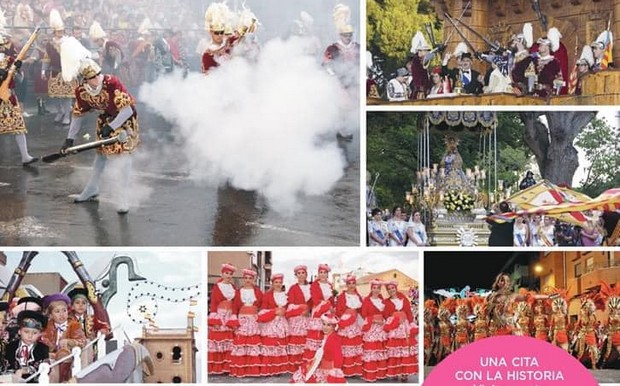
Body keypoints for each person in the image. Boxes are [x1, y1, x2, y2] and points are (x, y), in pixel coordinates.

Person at [58, 40, 140, 214]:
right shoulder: (81, 91)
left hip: (124, 120)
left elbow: (127, 111)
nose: (97, 78)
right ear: (84, 80)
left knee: (123, 156)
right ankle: (92, 188)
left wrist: (111, 127)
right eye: (92, 77)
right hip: (105, 120)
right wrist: (69, 139)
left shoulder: (112, 82)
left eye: (98, 74)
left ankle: (123, 196)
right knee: (101, 155)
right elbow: (77, 115)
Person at [0, 31, 38, 166]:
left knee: (18, 127)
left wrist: (15, 71)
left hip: (9, 97)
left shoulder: (10, 60)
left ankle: (25, 156)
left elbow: (20, 81)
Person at [40, 293, 86, 382]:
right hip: (52, 357)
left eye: (64, 311)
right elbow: (43, 341)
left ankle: (64, 380)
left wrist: (69, 342)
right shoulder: (47, 327)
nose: (61, 314)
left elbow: (82, 341)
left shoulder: (74, 325)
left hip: (69, 356)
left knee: (63, 353)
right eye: (57, 311)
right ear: (50, 315)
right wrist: (50, 350)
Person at [291, 312, 345, 383]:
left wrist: (335, 374)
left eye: (328, 325)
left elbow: (338, 357)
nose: (325, 327)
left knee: (302, 378)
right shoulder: (328, 336)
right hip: (321, 367)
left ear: (334, 327)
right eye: (324, 324)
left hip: (327, 371)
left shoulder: (333, 339)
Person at [41, 9, 74, 126]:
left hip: (66, 72)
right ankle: (60, 112)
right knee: (55, 95)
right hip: (54, 72)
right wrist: (43, 70)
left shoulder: (69, 42)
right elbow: (47, 58)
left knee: (67, 95)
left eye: (62, 31)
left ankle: (66, 115)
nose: (60, 33)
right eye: (58, 31)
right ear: (54, 32)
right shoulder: (50, 44)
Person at [229, 268, 262, 377]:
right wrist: (234, 319)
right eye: (246, 278)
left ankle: (251, 370)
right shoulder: (238, 292)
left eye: (250, 278)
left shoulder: (257, 291)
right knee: (242, 343)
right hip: (242, 319)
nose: (248, 280)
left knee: (252, 343)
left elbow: (261, 305)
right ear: (243, 279)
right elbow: (235, 307)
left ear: (253, 279)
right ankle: (241, 369)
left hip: (253, 318)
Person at [383, 281, 416, 381]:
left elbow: (409, 312)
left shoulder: (404, 299)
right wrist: (395, 320)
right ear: (387, 291)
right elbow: (386, 315)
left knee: (404, 350)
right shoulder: (386, 302)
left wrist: (411, 323)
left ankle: (404, 373)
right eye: (389, 289)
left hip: (404, 327)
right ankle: (395, 372)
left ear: (396, 288)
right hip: (394, 327)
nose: (391, 290)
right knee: (395, 350)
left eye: (392, 288)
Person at [208, 263, 237, 374]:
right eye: (226, 273)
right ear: (222, 274)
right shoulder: (217, 287)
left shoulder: (233, 288)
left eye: (230, 274)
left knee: (229, 341)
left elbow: (235, 303)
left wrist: (234, 316)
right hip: (220, 315)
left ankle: (227, 367)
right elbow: (214, 303)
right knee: (219, 341)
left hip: (229, 315)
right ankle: (218, 367)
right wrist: (215, 319)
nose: (228, 276)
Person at [67, 286, 109, 365]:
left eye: (84, 303)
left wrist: (102, 330)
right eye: (77, 303)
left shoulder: (91, 319)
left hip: (90, 352)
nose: (81, 305)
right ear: (72, 306)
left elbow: (105, 326)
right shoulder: (68, 320)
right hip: (73, 351)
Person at [4, 310, 49, 382]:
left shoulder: (42, 348)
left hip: (33, 381)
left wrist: (24, 370)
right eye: (26, 332)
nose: (30, 336)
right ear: (19, 331)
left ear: (40, 334)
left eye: (34, 333)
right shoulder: (10, 346)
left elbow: (42, 365)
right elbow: (7, 364)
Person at [258, 273, 289, 376]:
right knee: (269, 346)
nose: (278, 284)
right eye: (276, 282)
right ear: (272, 283)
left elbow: (288, 309)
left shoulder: (286, 296)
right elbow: (263, 311)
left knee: (279, 346)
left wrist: (284, 312)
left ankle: (277, 369)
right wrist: (274, 312)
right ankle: (268, 369)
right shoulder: (267, 295)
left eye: (280, 282)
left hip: (282, 323)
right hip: (270, 323)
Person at [334, 275, 363, 377]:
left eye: (353, 283)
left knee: (354, 347)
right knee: (345, 347)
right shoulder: (342, 296)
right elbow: (338, 310)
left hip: (355, 324)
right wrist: (346, 315)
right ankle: (345, 369)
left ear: (355, 284)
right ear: (346, 285)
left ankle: (353, 369)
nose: (351, 285)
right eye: (349, 283)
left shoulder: (358, 296)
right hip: (345, 324)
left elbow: (361, 311)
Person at [304, 264, 334, 361]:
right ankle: (313, 359)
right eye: (321, 272)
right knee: (317, 334)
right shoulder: (314, 285)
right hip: (318, 310)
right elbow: (315, 299)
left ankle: (325, 360)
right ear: (318, 274)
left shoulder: (330, 285)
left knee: (327, 333)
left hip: (328, 311)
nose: (323, 274)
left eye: (325, 273)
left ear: (327, 274)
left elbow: (332, 299)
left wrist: (332, 307)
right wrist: (325, 304)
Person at [360, 279, 387, 382]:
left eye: (378, 288)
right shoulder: (367, 300)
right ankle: (370, 374)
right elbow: (364, 314)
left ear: (380, 289)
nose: (376, 290)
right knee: (371, 351)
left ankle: (380, 374)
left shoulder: (382, 301)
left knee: (380, 351)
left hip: (381, 328)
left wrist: (383, 321)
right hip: (371, 327)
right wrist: (374, 320)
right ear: (371, 288)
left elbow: (385, 314)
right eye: (374, 288)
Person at [286, 265, 312, 371]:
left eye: (303, 273)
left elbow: (313, 301)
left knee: (305, 341)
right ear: (296, 275)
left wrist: (308, 310)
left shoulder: (311, 287)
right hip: (296, 318)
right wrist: (301, 310)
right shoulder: (293, 288)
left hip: (306, 318)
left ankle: (304, 363)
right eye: (299, 273)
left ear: (306, 274)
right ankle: (294, 365)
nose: (301, 275)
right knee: (296, 341)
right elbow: (291, 303)